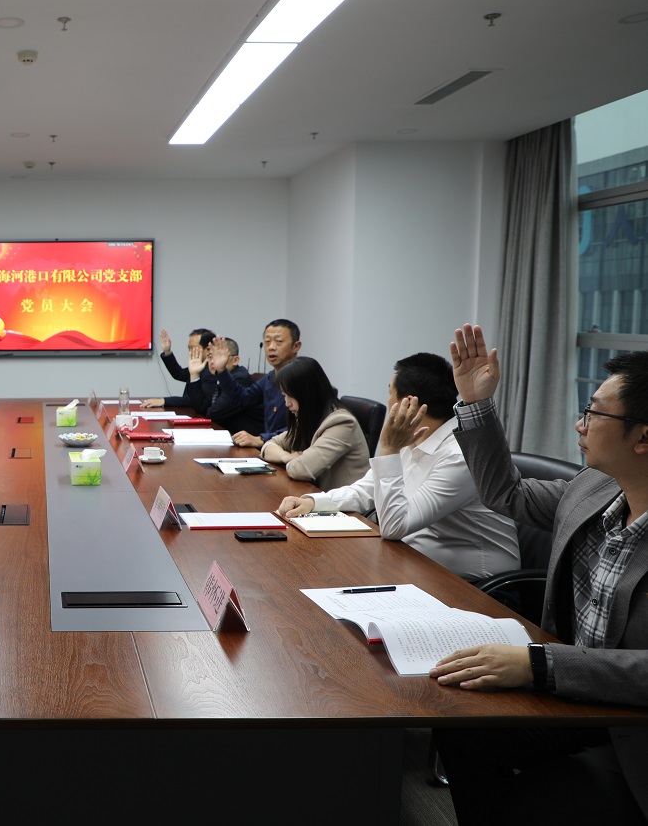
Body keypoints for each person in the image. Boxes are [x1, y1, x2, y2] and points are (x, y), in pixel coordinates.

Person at [430, 324, 648, 824]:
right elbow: (504, 493)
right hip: (572, 696)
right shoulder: (593, 488)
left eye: (593, 412)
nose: (580, 423)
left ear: (643, 437)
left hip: (631, 722)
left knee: (542, 804)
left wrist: (541, 665)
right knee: (460, 725)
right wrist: (476, 403)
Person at [277, 352, 518, 581]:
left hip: (475, 588)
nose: (388, 399)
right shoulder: (418, 436)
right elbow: (366, 489)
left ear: (409, 403)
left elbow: (395, 526)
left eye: (390, 392)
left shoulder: (460, 455)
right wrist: (313, 503)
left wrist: (389, 450)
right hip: (415, 561)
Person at [259, 356, 369, 490]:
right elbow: (269, 445)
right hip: (315, 497)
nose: (287, 403)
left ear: (307, 393)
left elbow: (300, 470)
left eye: (290, 395)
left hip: (345, 508)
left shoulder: (342, 423)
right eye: (284, 395)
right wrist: (285, 456)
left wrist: (295, 459)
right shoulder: (310, 417)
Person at [209, 318, 302, 448]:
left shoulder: (304, 378)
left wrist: (261, 439)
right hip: (270, 450)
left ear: (296, 346)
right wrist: (222, 370)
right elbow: (242, 399)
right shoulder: (270, 378)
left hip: (292, 453)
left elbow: (304, 427)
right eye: (267, 342)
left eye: (279, 342)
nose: (271, 347)